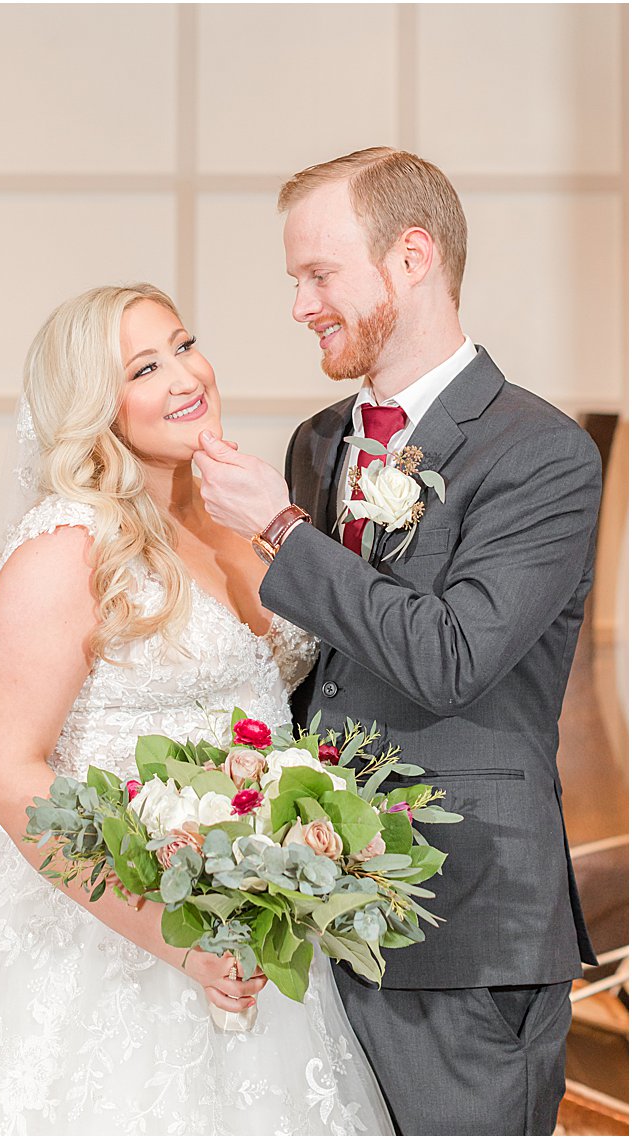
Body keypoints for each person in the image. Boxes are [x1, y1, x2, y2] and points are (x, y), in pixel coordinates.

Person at [0, 284, 392, 1135]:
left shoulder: (242, 514)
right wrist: (174, 936)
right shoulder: (67, 548)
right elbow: (4, 771)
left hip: (258, 930)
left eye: (185, 345)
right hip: (104, 943)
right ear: (94, 408)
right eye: (146, 367)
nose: (187, 375)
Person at [193, 148, 600, 1135]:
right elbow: (315, 672)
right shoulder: (317, 440)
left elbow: (450, 654)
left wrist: (281, 530)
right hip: (313, 916)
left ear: (409, 257)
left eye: (318, 273)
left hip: (461, 923)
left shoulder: (539, 452)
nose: (298, 303)